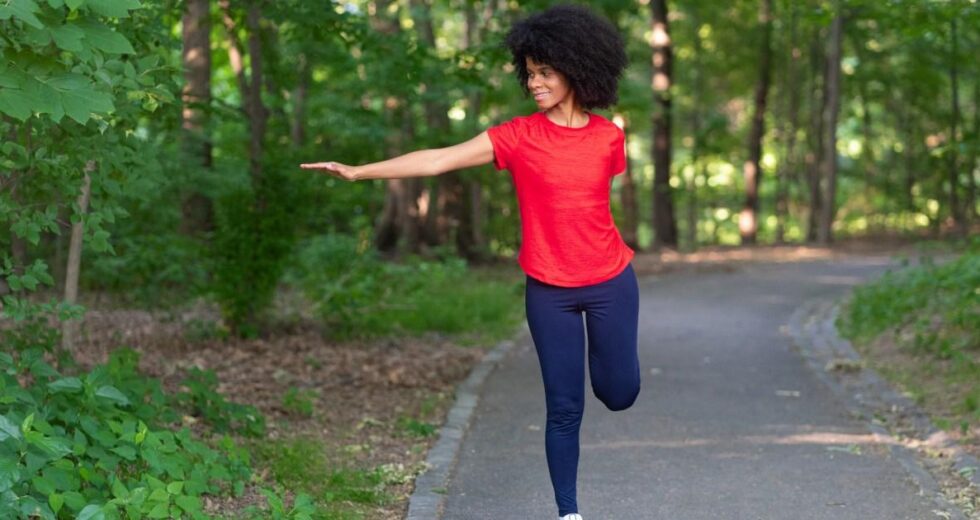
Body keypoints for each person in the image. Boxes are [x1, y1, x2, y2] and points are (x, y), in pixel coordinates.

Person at [300, 5, 638, 519]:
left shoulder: (608, 137)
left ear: (577, 68)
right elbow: (438, 159)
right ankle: (569, 513)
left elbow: (593, 205)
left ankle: (605, 362)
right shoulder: (518, 137)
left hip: (610, 281)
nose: (535, 83)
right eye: (530, 73)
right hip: (549, 290)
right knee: (564, 407)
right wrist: (358, 171)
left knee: (618, 392)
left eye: (545, 72)